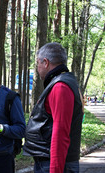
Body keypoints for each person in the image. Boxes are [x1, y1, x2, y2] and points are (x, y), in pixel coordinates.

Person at [23, 42, 84, 173]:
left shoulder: (60, 86)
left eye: (38, 63)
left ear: (45, 62)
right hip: (47, 162)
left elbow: (60, 133)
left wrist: (55, 170)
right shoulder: (61, 82)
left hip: (54, 164)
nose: (37, 68)